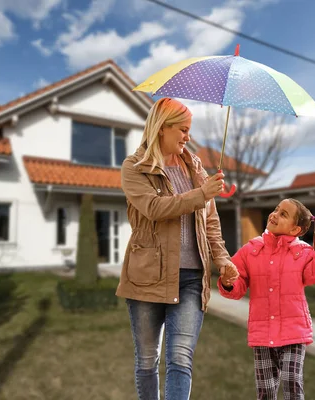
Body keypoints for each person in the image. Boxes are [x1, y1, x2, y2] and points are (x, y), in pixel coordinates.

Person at [116, 97, 239, 400]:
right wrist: (200, 194)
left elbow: (209, 222)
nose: (187, 136)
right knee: (147, 359)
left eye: (189, 130)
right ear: (162, 128)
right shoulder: (135, 167)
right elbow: (155, 208)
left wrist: (222, 260)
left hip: (191, 279)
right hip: (147, 278)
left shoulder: (194, 166)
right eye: (182, 129)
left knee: (180, 359)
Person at [218, 198, 315, 400]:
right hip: (262, 334)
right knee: (265, 391)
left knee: (292, 383)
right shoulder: (250, 250)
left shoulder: (303, 253)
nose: (274, 214)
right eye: (276, 209)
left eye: (283, 214)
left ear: (295, 230)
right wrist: (228, 281)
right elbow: (237, 287)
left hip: (294, 331)